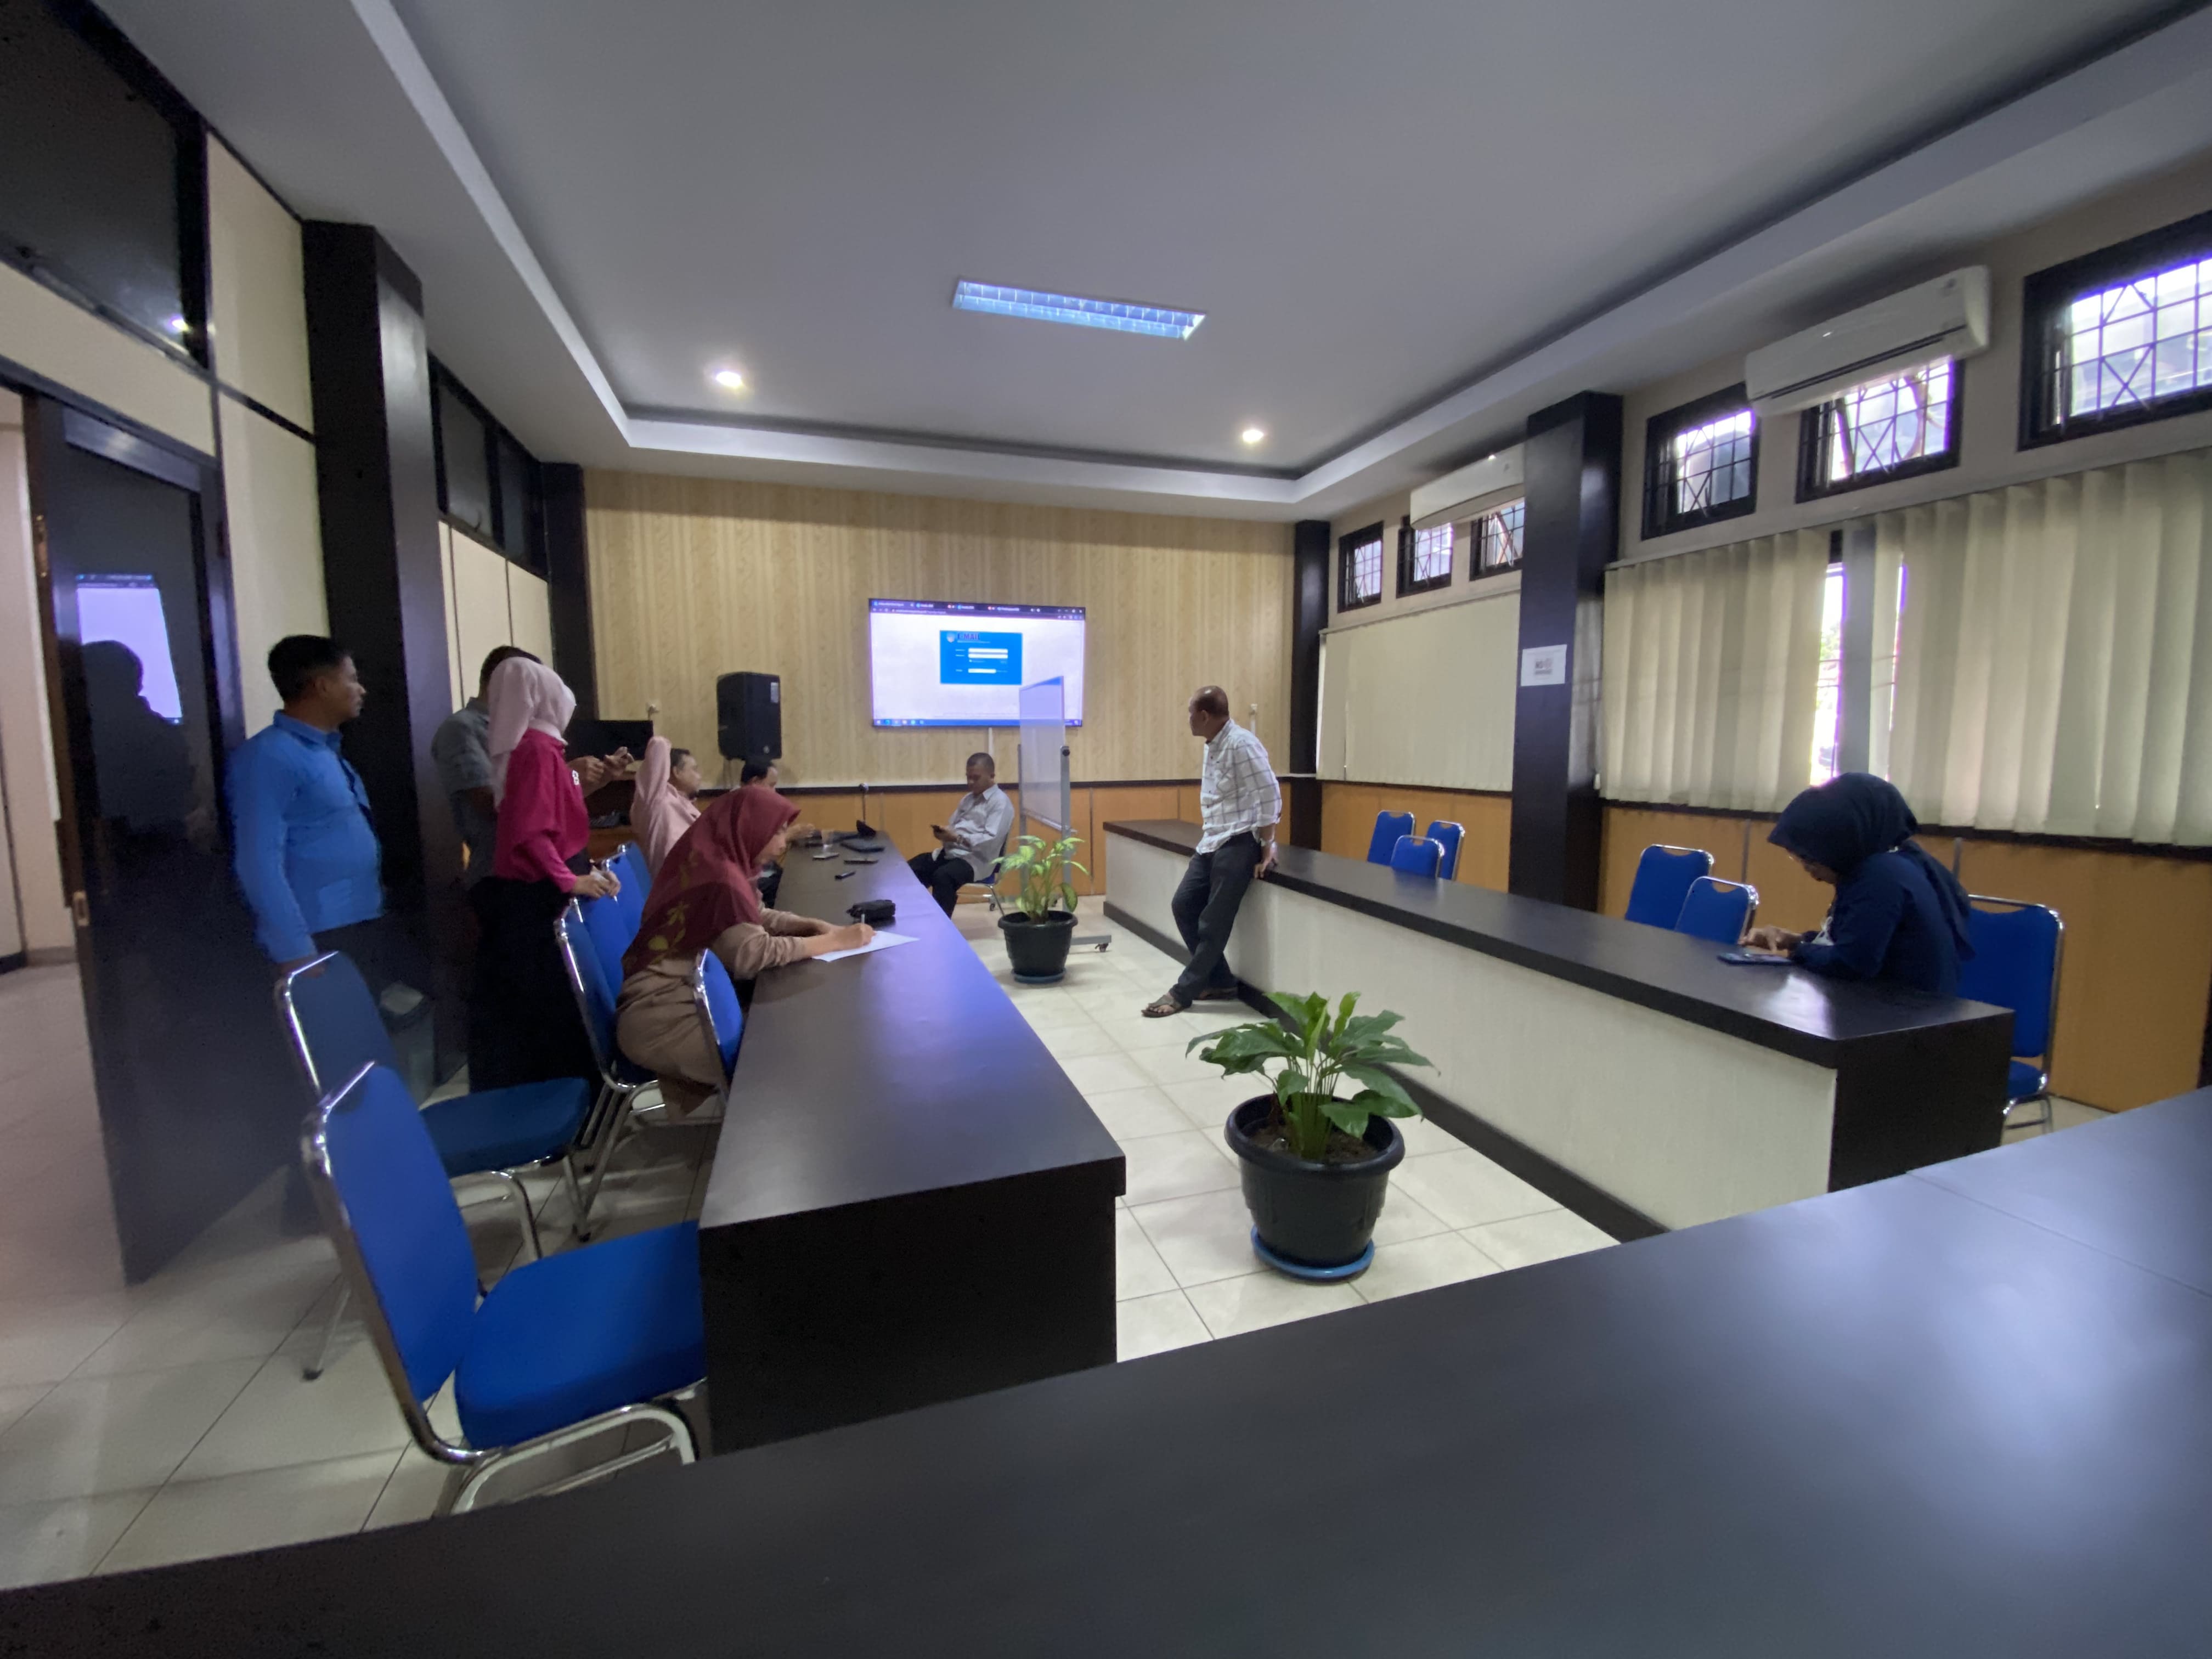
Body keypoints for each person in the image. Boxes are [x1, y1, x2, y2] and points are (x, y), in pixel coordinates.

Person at [615, 787, 873, 1114]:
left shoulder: (718, 857)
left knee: (792, 1028)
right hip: (664, 1020)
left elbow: (754, 913)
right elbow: (752, 954)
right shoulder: (720, 879)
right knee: (791, 1059)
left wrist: (811, 925)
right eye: (776, 832)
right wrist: (834, 942)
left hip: (678, 1001)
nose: (782, 844)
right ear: (750, 827)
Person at [466, 656, 619, 1089]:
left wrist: (588, 869)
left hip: (548, 883)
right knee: (550, 1005)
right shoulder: (535, 749)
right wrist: (571, 880)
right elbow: (532, 834)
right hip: (537, 894)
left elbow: (559, 825)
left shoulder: (544, 748)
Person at [228, 635, 397, 984]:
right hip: (319, 932)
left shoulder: (324, 750)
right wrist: (294, 950)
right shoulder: (268, 756)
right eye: (352, 679)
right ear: (322, 686)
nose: (361, 690)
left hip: (361, 918)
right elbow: (258, 861)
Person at [1744, 772, 1976, 997]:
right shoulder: (1897, 862)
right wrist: (1796, 940)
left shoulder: (1881, 875)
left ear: (1843, 840)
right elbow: (1856, 940)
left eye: (1809, 858)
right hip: (1902, 1006)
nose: (1807, 868)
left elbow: (1850, 963)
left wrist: (1797, 949)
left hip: (1906, 1013)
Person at [432, 646, 635, 889]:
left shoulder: (535, 735)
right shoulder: (462, 729)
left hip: (548, 868)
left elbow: (549, 807)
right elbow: (497, 805)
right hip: (504, 873)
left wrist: (598, 779)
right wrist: (569, 775)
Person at [1143, 687, 1280, 1017]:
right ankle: (1220, 981)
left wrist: (1267, 846)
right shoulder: (1213, 744)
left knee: (1213, 922)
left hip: (1240, 841)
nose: (1188, 719)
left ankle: (1183, 992)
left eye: (1190, 713)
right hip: (1212, 841)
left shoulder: (1242, 744)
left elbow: (1270, 795)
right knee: (1184, 904)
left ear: (1204, 716)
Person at [906, 751, 1013, 915]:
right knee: (912, 869)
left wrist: (957, 838)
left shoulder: (1000, 803)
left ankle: (942, 926)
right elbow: (954, 827)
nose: (970, 783)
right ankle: (912, 917)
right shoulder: (968, 799)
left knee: (943, 877)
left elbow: (990, 842)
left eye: (976, 778)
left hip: (978, 860)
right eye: (968, 777)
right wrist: (944, 834)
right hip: (953, 853)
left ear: (992, 776)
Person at [629, 736, 702, 877]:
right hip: (671, 882)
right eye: (694, 770)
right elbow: (658, 744)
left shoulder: (685, 803)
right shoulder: (656, 799)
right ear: (676, 772)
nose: (699, 776)